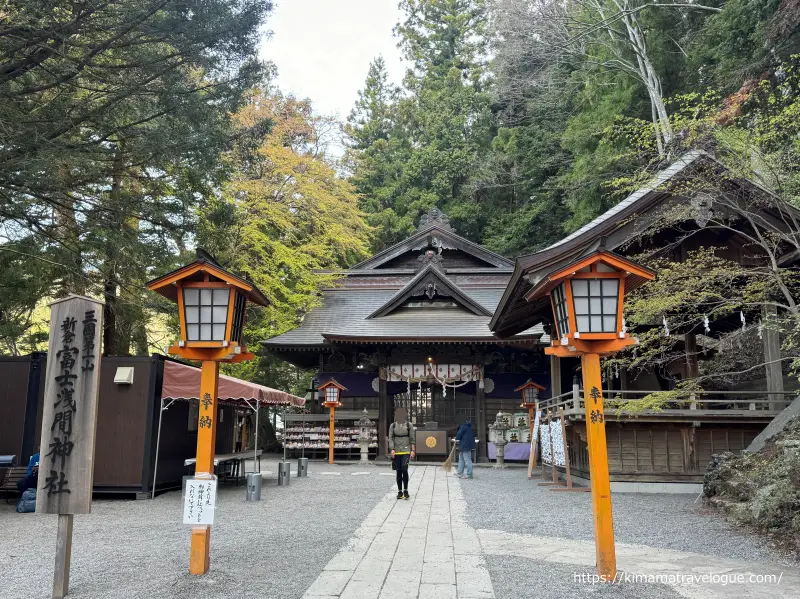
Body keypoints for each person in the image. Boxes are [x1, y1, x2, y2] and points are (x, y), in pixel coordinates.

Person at [389, 408, 416, 499]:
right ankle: (400, 491)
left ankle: (406, 490)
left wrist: (413, 450)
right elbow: (391, 438)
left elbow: (412, 438)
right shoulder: (392, 426)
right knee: (398, 471)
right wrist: (392, 449)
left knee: (404, 469)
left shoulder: (409, 425)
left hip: (406, 450)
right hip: (396, 451)